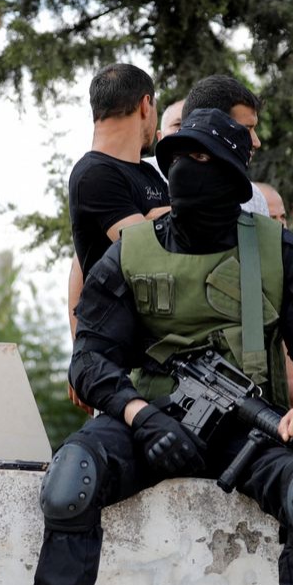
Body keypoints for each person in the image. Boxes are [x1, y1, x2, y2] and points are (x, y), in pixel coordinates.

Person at [31, 108, 293, 585]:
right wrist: (142, 418)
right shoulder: (131, 251)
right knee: (71, 477)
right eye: (176, 156)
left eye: (200, 156)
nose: (183, 168)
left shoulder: (281, 252)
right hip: (152, 419)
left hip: (251, 428)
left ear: (231, 173)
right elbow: (91, 357)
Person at [65, 63, 171, 411]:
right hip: (120, 367)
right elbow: (145, 247)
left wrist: (156, 217)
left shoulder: (151, 177)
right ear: (145, 105)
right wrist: (83, 355)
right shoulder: (94, 173)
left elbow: (79, 264)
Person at [177, 74, 269, 216]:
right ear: (209, 127)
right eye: (246, 129)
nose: (256, 142)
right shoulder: (156, 186)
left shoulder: (255, 200)